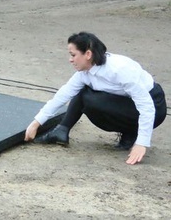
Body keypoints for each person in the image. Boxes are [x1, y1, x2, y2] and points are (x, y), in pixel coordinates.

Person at [24, 32, 166, 165]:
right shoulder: (84, 72)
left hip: (154, 105)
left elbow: (146, 105)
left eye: (73, 55)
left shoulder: (120, 69)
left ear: (88, 54)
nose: (70, 59)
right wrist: (36, 123)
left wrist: (142, 143)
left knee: (90, 99)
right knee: (82, 92)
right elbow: (63, 95)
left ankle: (131, 133)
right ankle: (61, 131)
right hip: (125, 103)